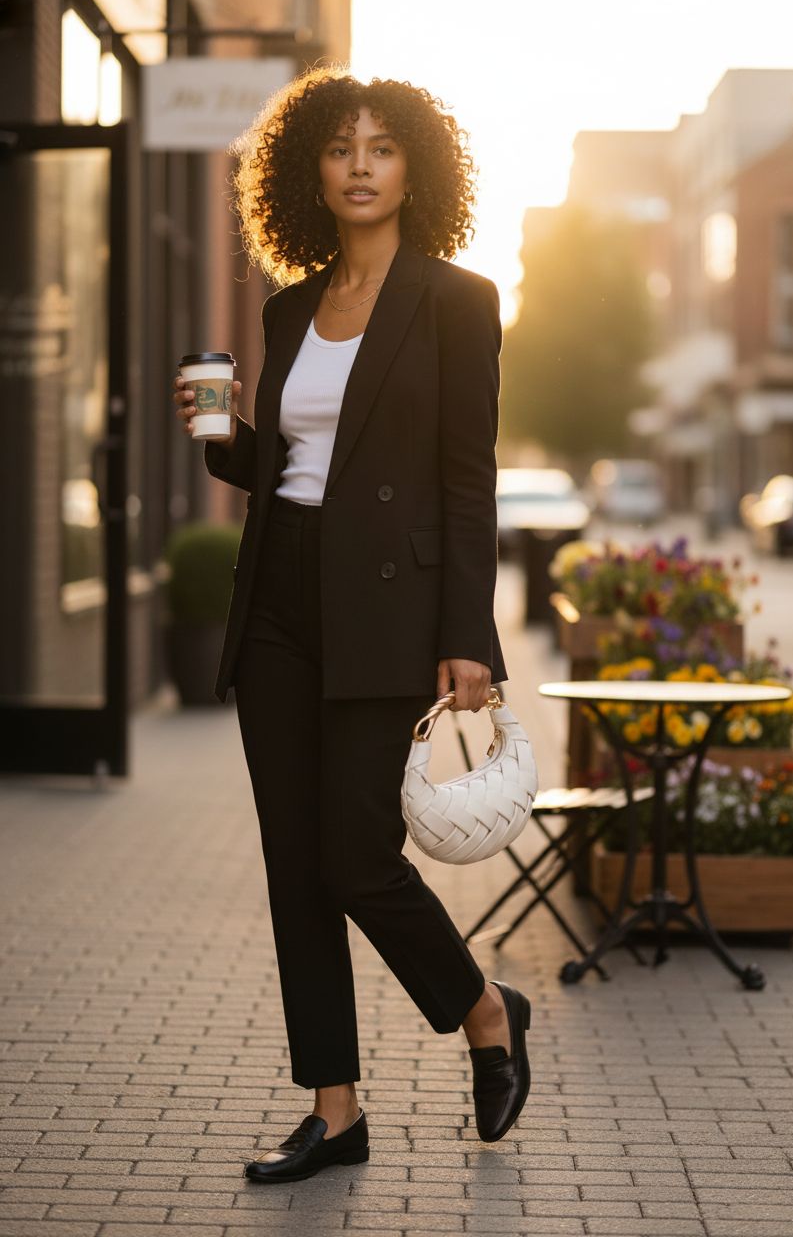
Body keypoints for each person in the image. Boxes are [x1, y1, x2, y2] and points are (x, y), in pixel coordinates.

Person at [173, 64, 532, 1184]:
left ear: (413, 165)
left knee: (355, 856)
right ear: (308, 171)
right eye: (341, 147)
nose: (362, 164)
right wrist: (221, 433)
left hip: (390, 609)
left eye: (382, 146)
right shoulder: (291, 307)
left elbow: (465, 480)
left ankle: (481, 1009)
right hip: (280, 598)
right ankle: (336, 1109)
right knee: (295, 865)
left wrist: (468, 631)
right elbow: (288, 467)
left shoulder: (459, 299)